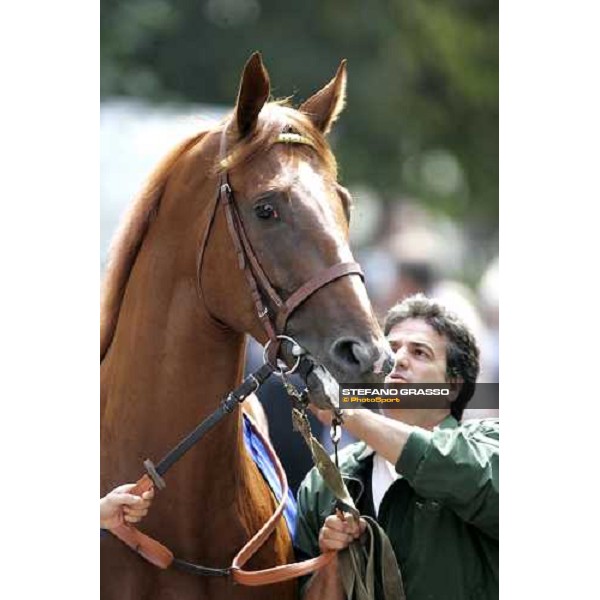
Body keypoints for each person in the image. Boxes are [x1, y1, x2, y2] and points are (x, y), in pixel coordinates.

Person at [294, 294, 499, 600]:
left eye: (420, 353)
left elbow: (464, 473)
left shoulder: (490, 442)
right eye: (390, 349)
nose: (398, 359)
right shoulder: (324, 481)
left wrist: (348, 413)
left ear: (453, 385)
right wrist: (331, 560)